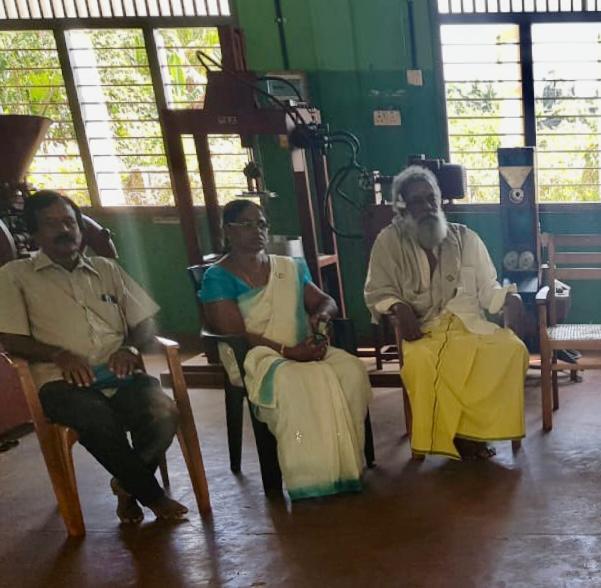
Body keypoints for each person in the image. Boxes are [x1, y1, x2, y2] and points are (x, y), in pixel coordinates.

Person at [0, 190, 187, 524]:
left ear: (80, 227)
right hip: (60, 381)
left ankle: (126, 486)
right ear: (34, 233)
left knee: (164, 412)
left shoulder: (106, 269)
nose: (64, 230)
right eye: (51, 224)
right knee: (97, 417)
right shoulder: (15, 275)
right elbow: (11, 339)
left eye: (69, 222)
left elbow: (146, 322)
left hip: (119, 373)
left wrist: (129, 348)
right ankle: (153, 496)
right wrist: (59, 354)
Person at [199, 200, 372, 501]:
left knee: (351, 370)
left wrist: (321, 317)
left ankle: (345, 466)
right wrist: (288, 352)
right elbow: (236, 333)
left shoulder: (287, 267)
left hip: (299, 345)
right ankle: (311, 474)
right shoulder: (218, 277)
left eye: (262, 224)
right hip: (256, 356)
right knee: (296, 380)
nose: (258, 231)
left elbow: (325, 301)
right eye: (247, 224)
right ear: (228, 230)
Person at [364, 166, 527, 460]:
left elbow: (488, 288)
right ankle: (452, 437)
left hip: (471, 325)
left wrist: (509, 297)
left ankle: (477, 433)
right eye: (417, 201)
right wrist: (398, 306)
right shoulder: (388, 243)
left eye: (432, 198)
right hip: (425, 329)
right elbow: (378, 289)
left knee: (513, 349)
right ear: (402, 207)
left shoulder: (465, 239)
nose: (427, 206)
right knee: (422, 361)